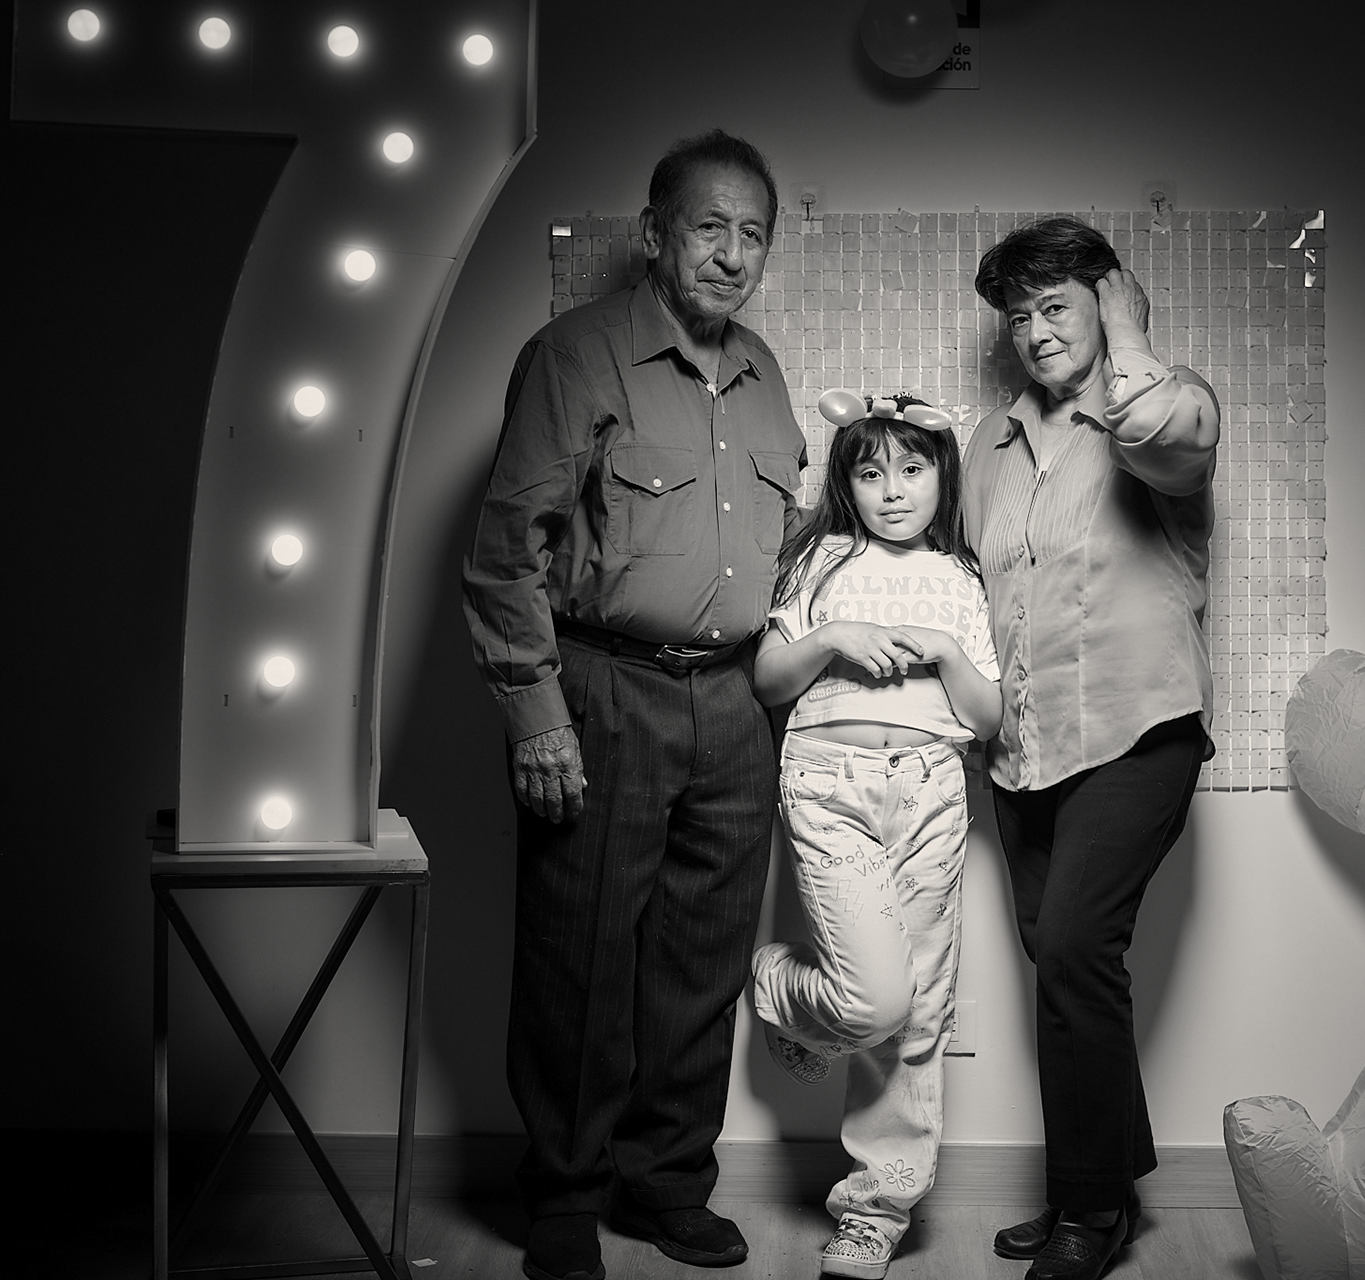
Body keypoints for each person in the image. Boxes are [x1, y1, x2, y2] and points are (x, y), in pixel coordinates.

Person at [461, 129, 806, 1280]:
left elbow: (769, 544)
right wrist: (536, 713)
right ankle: (564, 1192)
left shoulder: (765, 373)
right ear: (655, 235)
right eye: (710, 227)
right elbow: (506, 549)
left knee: (704, 962)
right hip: (606, 690)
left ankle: (667, 1183)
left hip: (735, 703)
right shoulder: (576, 354)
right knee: (579, 954)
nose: (732, 253)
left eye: (752, 233)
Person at [963, 218, 1220, 1280]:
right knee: (1063, 961)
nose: (1034, 330)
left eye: (1056, 305)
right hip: (1024, 748)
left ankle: (1090, 1209)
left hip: (1135, 730)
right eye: (1018, 314)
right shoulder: (989, 443)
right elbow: (964, 580)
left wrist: (1130, 331)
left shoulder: (1171, 401)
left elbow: (1160, 435)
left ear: (1106, 301)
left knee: (1074, 949)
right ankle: (1104, 1176)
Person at [750, 391, 1001, 1279]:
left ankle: (874, 1212)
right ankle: (780, 987)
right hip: (829, 785)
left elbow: (987, 717)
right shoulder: (818, 559)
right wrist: (833, 636)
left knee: (921, 1010)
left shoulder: (961, 576)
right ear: (845, 484)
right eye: (869, 473)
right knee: (874, 1002)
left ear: (941, 476)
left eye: (912, 469)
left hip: (932, 790)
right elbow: (769, 681)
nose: (892, 491)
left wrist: (946, 649)